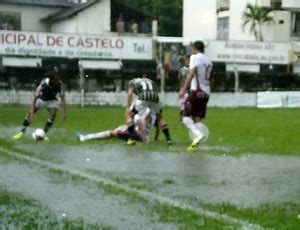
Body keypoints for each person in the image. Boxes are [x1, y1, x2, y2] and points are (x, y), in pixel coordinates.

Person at [13, 67, 66, 140]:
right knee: (29, 115)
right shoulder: (43, 84)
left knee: (53, 114)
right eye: (56, 79)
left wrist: (63, 111)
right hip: (41, 99)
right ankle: (22, 132)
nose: (58, 80)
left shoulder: (60, 84)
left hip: (52, 100)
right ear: (51, 79)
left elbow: (62, 98)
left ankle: (43, 134)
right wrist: (32, 113)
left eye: (58, 79)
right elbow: (34, 99)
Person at [179, 41, 213, 151]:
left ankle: (198, 135)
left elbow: (192, 72)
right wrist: (207, 90)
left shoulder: (195, 57)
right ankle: (195, 143)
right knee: (198, 118)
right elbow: (212, 78)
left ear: (194, 48)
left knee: (184, 116)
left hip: (196, 91)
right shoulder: (209, 61)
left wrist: (184, 88)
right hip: (206, 93)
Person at [126, 75, 172, 146]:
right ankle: (169, 139)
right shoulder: (150, 81)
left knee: (129, 115)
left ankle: (131, 138)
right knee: (159, 117)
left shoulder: (132, 82)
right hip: (155, 97)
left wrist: (128, 107)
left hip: (143, 96)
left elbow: (130, 93)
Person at [77, 107, 155, 143]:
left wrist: (145, 137)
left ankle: (85, 138)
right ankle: (87, 137)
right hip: (138, 135)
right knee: (121, 128)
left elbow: (139, 122)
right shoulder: (154, 115)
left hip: (137, 136)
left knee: (112, 133)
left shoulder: (143, 112)